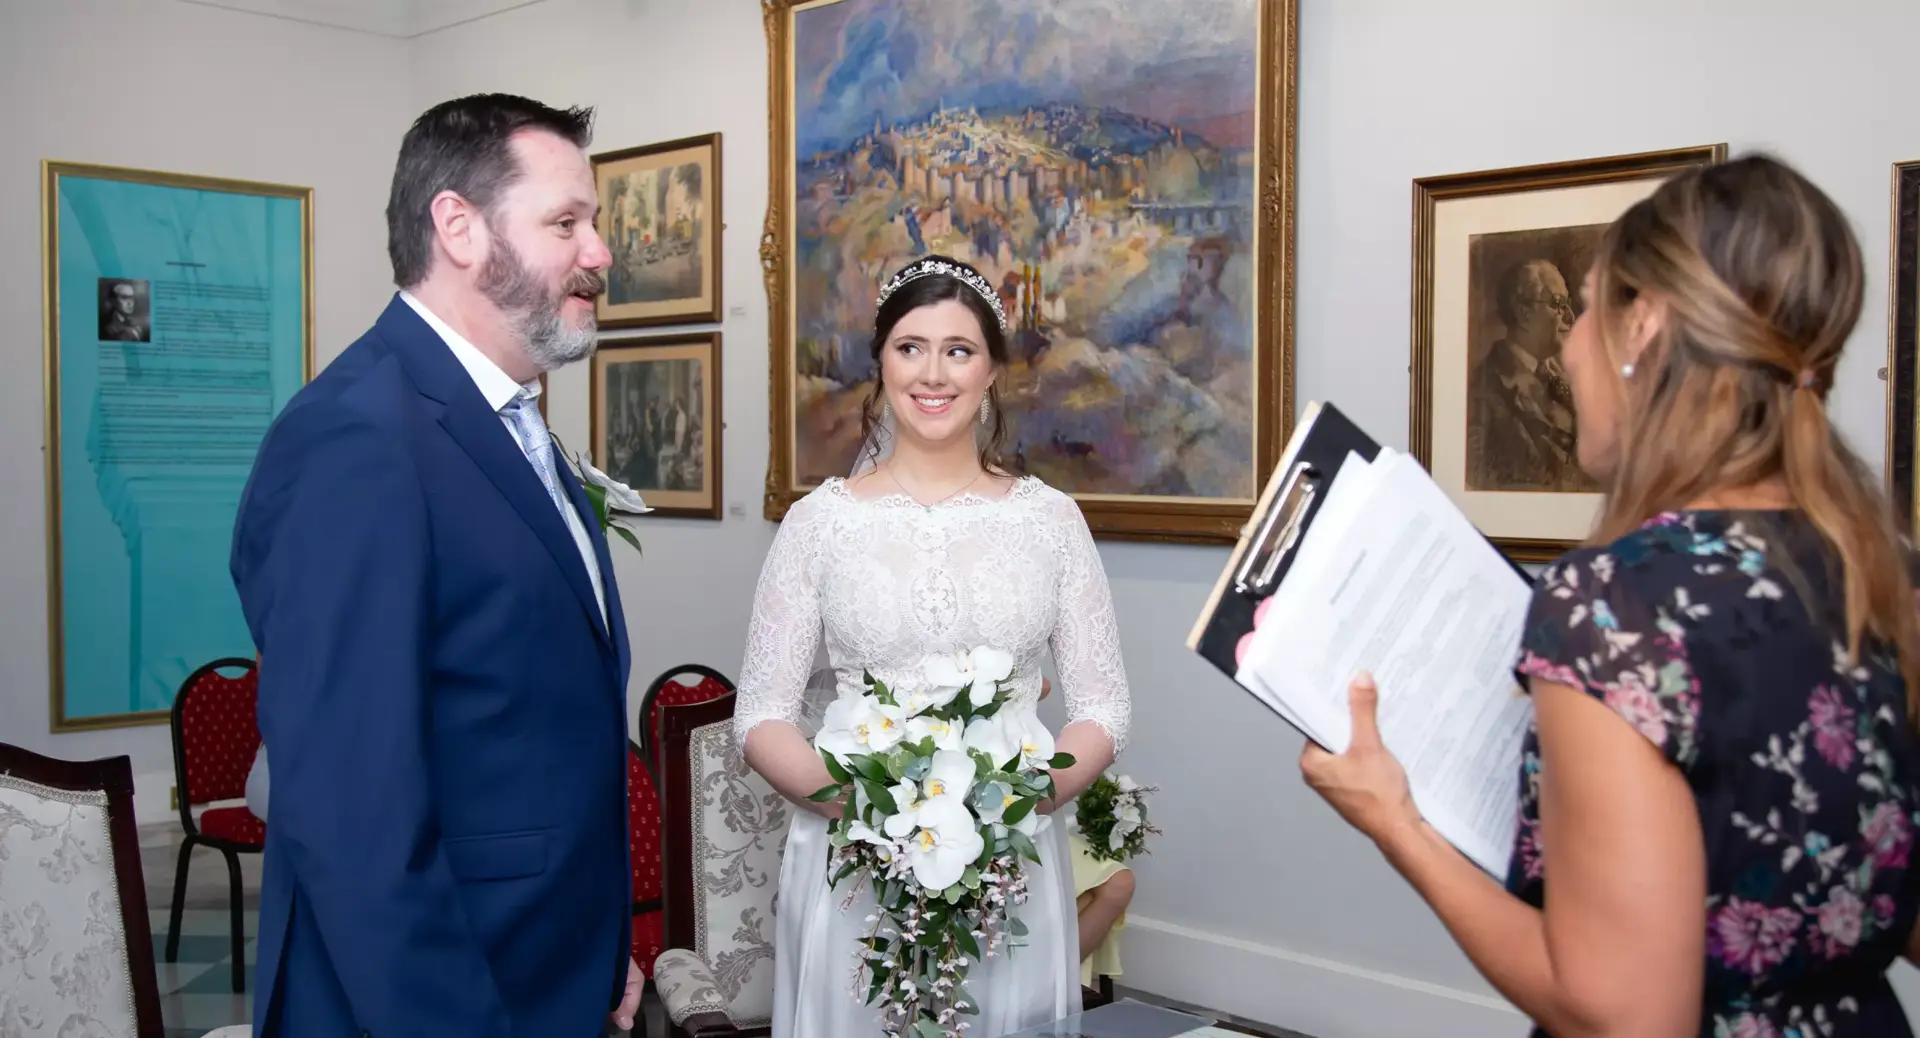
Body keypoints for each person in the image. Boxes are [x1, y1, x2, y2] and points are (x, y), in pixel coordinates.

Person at [1302, 155, 1920, 1035]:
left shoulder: (1617, 608)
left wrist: (1395, 821)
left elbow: (1626, 1017)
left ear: (1645, 327)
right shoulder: (1886, 571)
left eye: (1588, 306)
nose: (1568, 344)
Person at [230, 93, 640, 1037]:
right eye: (566, 223)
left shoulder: (505, 422)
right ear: (459, 228)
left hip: (542, 972)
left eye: (594, 223)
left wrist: (593, 947)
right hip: (433, 1000)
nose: (600, 252)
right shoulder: (355, 439)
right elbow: (350, 812)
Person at [734, 254, 1133, 1034]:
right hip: (853, 857)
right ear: (880, 363)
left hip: (1010, 857)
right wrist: (872, 814)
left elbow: (1105, 707)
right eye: (910, 347)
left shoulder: (1050, 522)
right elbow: (761, 716)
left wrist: (1013, 808)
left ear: (992, 371)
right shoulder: (820, 525)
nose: (933, 373)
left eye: (959, 350)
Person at [1466, 258, 1583, 491]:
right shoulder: (1483, 389)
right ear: (1523, 313)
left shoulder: (1569, 377)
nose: (1570, 316)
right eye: (1558, 304)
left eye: (1567, 304)